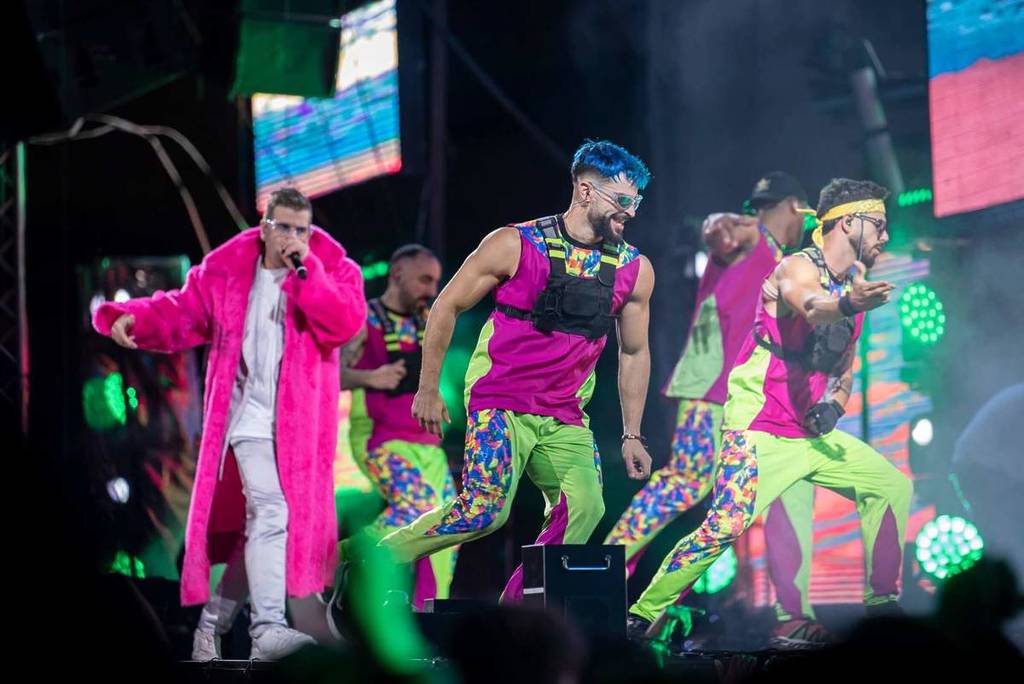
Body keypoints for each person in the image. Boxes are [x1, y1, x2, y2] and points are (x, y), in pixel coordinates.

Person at [345, 140, 655, 601]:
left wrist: (632, 434)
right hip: (500, 400)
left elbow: (634, 352)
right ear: (586, 191)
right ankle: (372, 556)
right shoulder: (515, 243)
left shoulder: (634, 268)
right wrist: (427, 388)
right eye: (622, 199)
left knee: (587, 507)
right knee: (484, 512)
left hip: (566, 414)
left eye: (636, 201)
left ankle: (519, 612)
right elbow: (446, 306)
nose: (630, 211)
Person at [627, 178, 912, 637]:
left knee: (890, 485)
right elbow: (813, 306)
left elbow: (843, 371)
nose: (885, 235)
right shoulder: (795, 268)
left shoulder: (850, 291)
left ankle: (881, 606)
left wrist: (834, 408)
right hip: (758, 426)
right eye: (878, 225)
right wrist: (846, 303)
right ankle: (642, 613)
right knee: (724, 525)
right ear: (847, 223)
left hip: (808, 433)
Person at [93, 188, 365, 660]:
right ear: (265, 227)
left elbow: (344, 323)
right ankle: (266, 630)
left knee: (260, 530)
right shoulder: (226, 270)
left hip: (299, 433)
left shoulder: (332, 268)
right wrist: (128, 316)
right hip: (245, 420)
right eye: (284, 227)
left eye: (302, 230)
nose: (293, 238)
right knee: (272, 513)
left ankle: (210, 627)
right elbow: (179, 311)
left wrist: (310, 275)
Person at [341, 244, 458, 608]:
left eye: (435, 282)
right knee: (414, 509)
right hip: (382, 439)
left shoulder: (429, 322)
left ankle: (429, 612)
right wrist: (371, 377)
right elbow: (330, 375)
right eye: (424, 280)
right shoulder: (364, 319)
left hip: (429, 445)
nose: (431, 290)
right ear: (396, 275)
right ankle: (338, 558)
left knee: (452, 526)